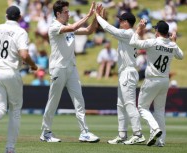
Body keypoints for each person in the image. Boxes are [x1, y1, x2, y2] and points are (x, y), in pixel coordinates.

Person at [0, 6, 38, 153]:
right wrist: (33, 65)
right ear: (19, 18)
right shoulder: (20, 31)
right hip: (11, 72)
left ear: (6, 16)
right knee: (15, 111)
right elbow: (24, 55)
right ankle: (10, 148)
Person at [40, 0, 100, 143]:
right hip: (58, 68)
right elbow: (74, 26)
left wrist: (96, 18)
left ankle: (84, 132)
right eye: (66, 12)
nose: (68, 14)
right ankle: (45, 132)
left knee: (79, 100)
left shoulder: (68, 26)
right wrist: (88, 15)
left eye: (68, 11)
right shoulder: (54, 27)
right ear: (58, 13)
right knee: (53, 101)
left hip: (71, 68)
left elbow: (89, 30)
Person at [95, 6, 145, 144]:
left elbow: (111, 29)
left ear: (126, 22)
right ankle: (122, 135)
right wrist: (102, 19)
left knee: (129, 104)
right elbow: (111, 31)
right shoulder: (127, 34)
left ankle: (138, 134)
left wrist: (97, 16)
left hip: (128, 72)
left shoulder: (128, 33)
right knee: (120, 105)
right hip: (124, 73)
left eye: (121, 20)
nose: (119, 22)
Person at [129, 20, 184, 147]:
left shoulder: (153, 42)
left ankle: (155, 129)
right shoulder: (171, 45)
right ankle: (161, 141)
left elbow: (133, 42)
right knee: (159, 110)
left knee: (142, 107)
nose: (154, 31)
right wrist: (174, 42)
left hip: (152, 80)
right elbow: (181, 56)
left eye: (155, 29)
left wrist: (138, 30)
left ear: (158, 31)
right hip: (164, 81)